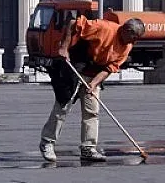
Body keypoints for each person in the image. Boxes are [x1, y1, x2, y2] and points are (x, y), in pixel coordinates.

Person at [39, 14, 145, 163]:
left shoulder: (127, 46)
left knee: (92, 111)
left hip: (94, 72)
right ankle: (47, 142)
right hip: (76, 64)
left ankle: (88, 148)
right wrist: (64, 46)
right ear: (126, 30)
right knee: (63, 107)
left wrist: (94, 83)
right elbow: (72, 23)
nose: (134, 42)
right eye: (134, 37)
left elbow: (110, 67)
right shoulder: (104, 28)